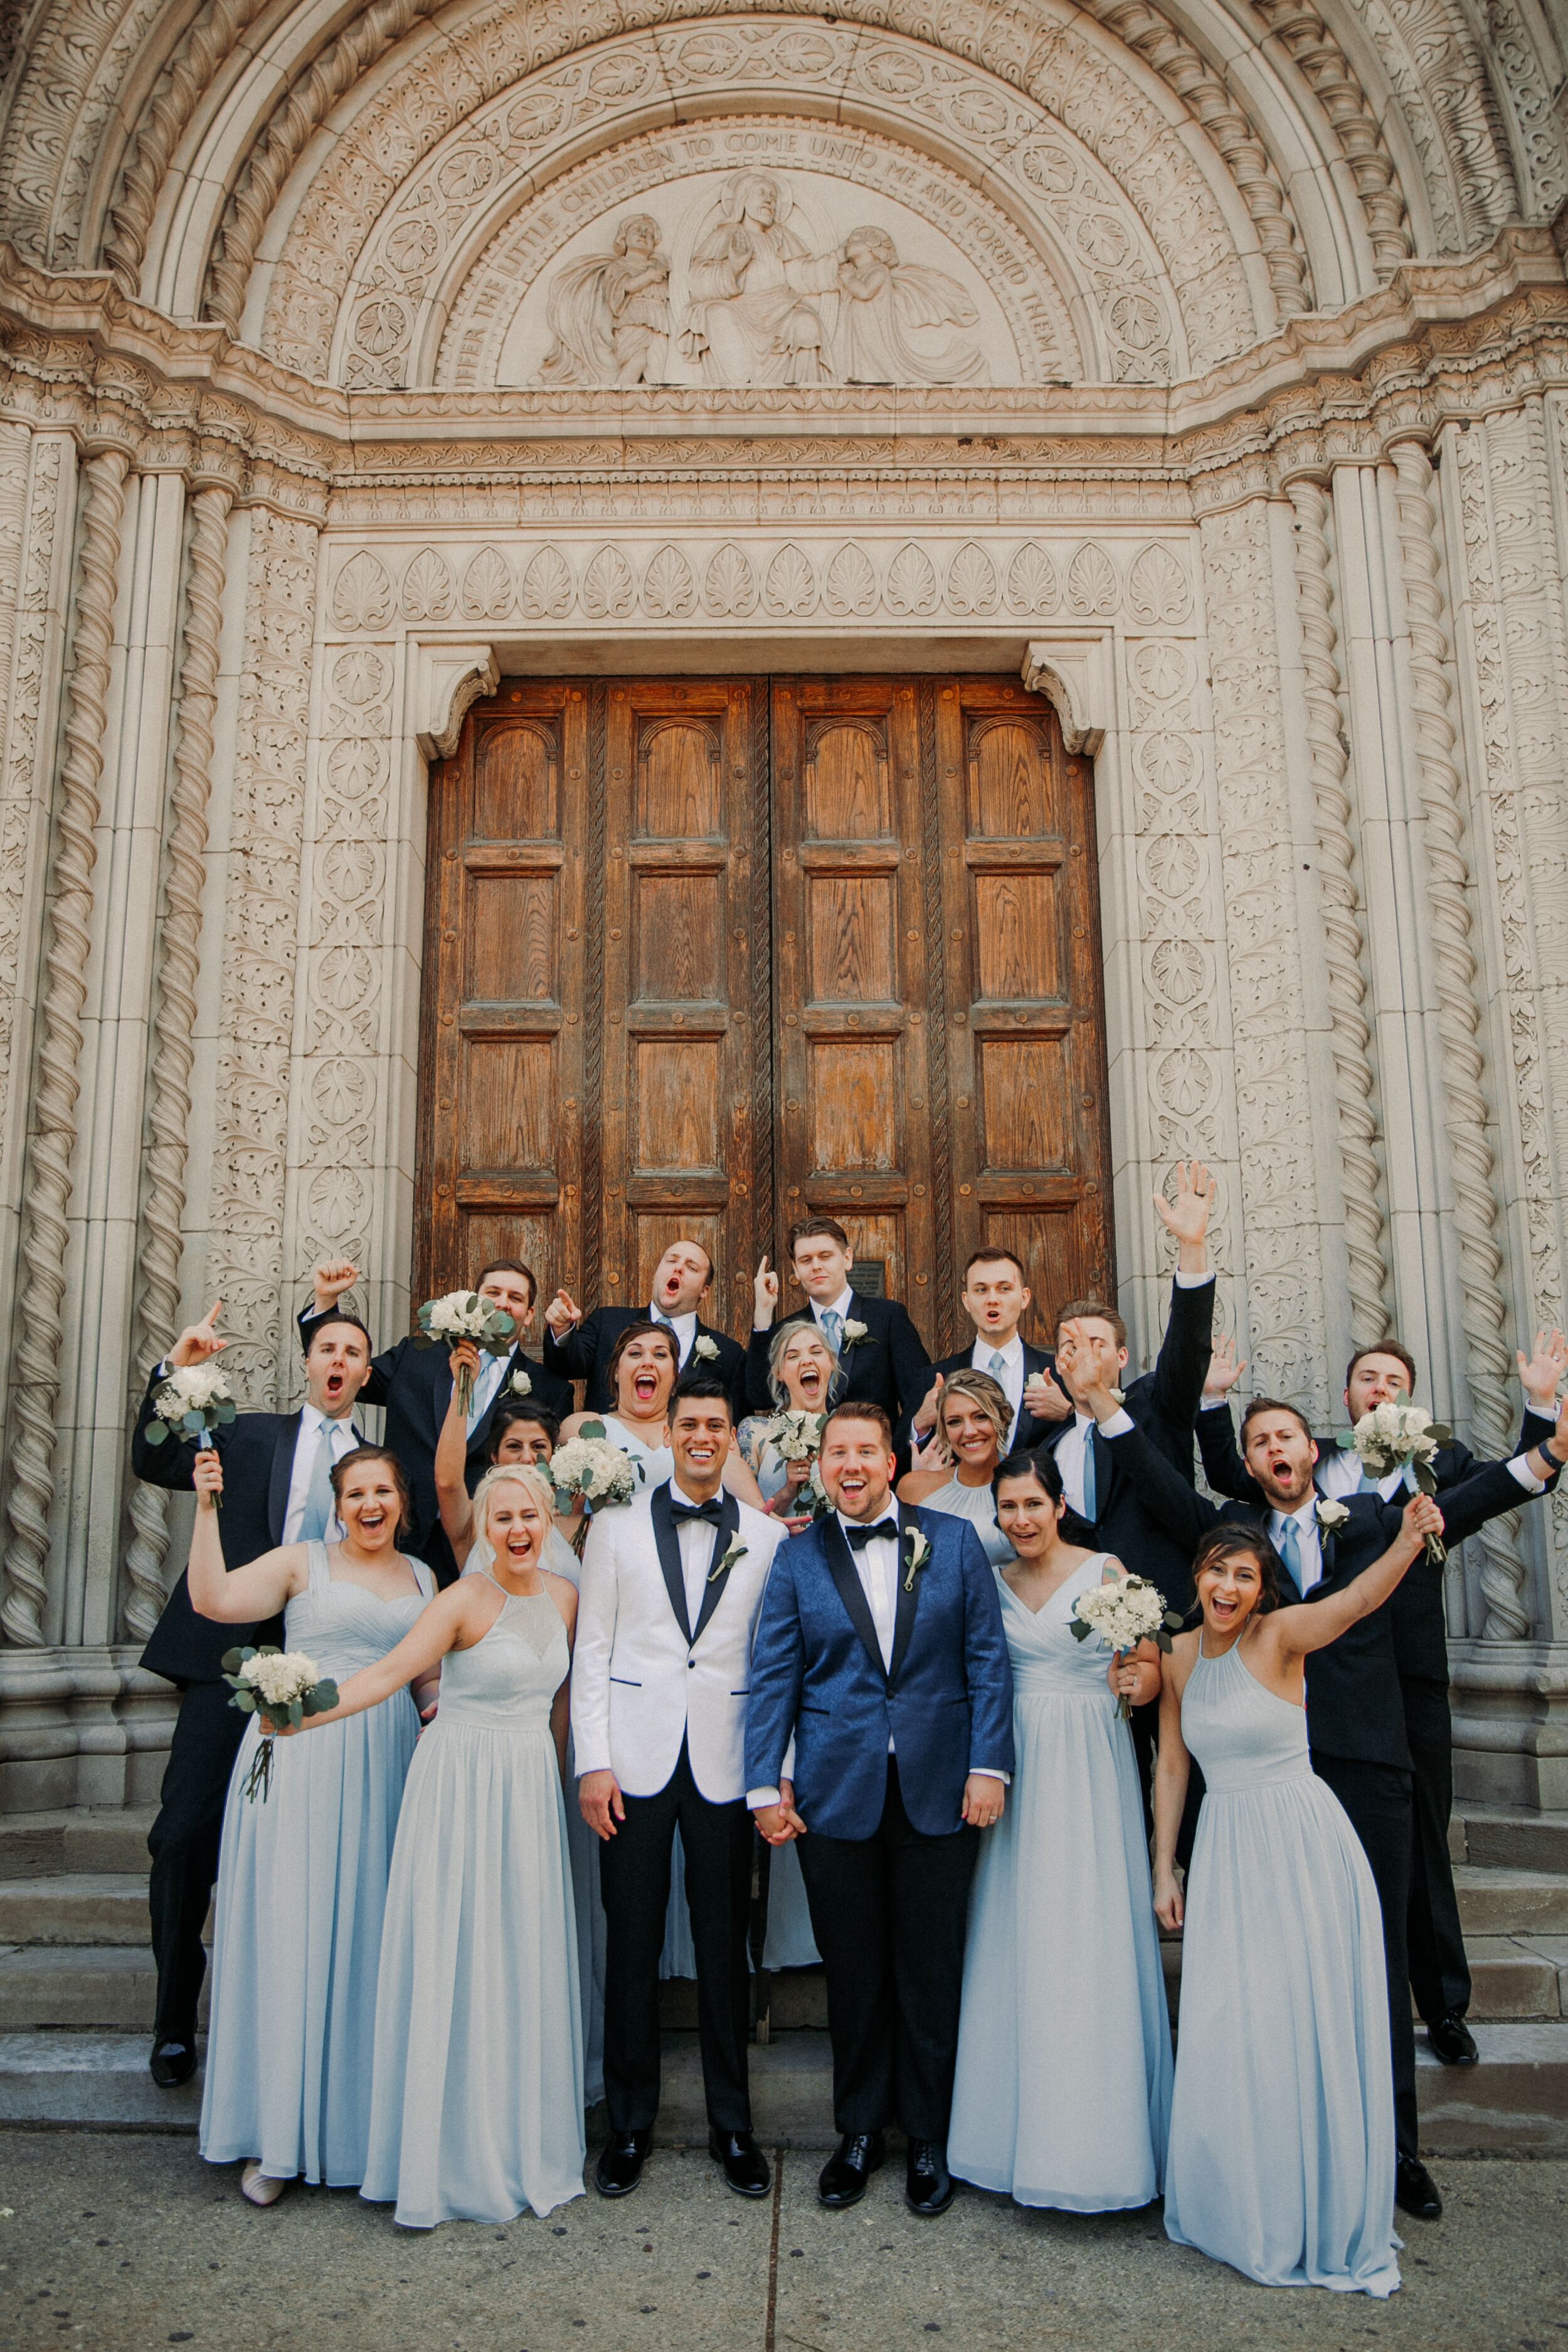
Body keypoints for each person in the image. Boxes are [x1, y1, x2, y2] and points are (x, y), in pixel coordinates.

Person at [1091, 1375, 1568, 2220]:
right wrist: (1105, 1404)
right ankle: (1284, 2141)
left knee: (1373, 1960)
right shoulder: (1230, 1542)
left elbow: (1480, 1494)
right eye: (1262, 1442)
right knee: (1270, 1970)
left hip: (1362, 1764)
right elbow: (1160, 1486)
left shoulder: (1378, 1523)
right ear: (1247, 1462)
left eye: (1289, 1438)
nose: (1277, 1450)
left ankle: (1394, 2153)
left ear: (1317, 1451)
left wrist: (1552, 1449)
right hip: (1258, 1784)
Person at [1199, 1328, 1565, 2069]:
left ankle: (1442, 2004)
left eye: (1394, 1380)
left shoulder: (1442, 1465)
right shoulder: (1315, 1468)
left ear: (1409, 1396)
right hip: (1322, 1684)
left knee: (1418, 1842)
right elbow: (1229, 1476)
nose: (1380, 1389)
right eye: (1368, 1378)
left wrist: (1541, 1411)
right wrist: (1213, 1401)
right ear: (1344, 1399)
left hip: (1413, 1676)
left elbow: (1505, 1485)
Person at [1152, 1512, 1448, 2296]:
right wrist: (1163, 1870)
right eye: (1218, 1570)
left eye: (1244, 1576)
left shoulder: (1279, 1637)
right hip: (1225, 1853)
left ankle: (1315, 2206)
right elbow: (1173, 1769)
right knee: (1234, 2023)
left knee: (1298, 2020)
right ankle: (1241, 2204)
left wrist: (1408, 1541)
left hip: (1301, 1846)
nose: (1228, 1586)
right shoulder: (1177, 1655)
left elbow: (1353, 1602)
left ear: (1260, 1590)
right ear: (1197, 1575)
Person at [288, 1463, 585, 2227]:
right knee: (458, 1956)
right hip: (457, 1788)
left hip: (524, 1794)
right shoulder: (460, 1601)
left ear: (549, 1520)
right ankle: (441, 2153)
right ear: (481, 1529)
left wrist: (553, 1789)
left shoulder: (564, 1598)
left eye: (530, 1516)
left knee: (515, 1958)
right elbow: (388, 1675)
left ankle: (515, 2141)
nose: (517, 1531)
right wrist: (297, 1713)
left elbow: (557, 1706)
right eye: (501, 1519)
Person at [745, 1403, 1014, 2218]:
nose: (852, 1464)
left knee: (931, 1970)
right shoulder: (796, 1558)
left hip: (941, 1786)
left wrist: (988, 1763)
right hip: (836, 1792)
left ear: (891, 1460)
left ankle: (930, 2138)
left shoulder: (955, 1540)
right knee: (854, 1973)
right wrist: (766, 1783)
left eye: (866, 1449)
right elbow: (774, 1675)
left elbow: (986, 1659)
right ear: (822, 1464)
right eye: (838, 1452)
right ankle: (859, 2132)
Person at [131, 1299, 372, 2092]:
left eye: (354, 1352)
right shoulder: (244, 1433)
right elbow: (154, 1458)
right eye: (327, 1346)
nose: (338, 1360)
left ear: (367, 1376)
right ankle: (174, 2024)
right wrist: (177, 1367)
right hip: (225, 1662)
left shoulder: (377, 1469)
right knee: (181, 1838)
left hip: (328, 1676)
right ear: (309, 1362)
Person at [188, 1444, 435, 2204]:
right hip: (297, 1758)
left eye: (383, 1492)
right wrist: (205, 1509)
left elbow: (425, 1677)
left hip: (385, 1766)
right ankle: (277, 2140)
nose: (370, 1505)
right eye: (356, 1492)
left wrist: (442, 1721)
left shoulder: (424, 1577)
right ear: (337, 1504)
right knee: (292, 1935)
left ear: (401, 1501)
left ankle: (355, 2135)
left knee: (366, 1937)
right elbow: (214, 1601)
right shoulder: (301, 1563)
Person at [573, 1375, 785, 2200]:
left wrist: (771, 1774)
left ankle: (732, 2126)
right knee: (630, 1941)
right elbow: (593, 1650)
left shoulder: (766, 1538)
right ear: (666, 1433)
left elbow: (773, 1667)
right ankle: (629, 2126)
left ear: (732, 1437)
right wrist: (593, 1760)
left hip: (727, 1764)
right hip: (631, 1761)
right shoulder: (614, 1528)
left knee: (723, 1945)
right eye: (689, 1423)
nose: (702, 1435)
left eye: (715, 1425)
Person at [948, 1449, 1171, 2211]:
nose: (1019, 1522)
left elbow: (1147, 1668)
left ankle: (1096, 2140)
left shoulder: (1107, 1572)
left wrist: (1138, 1679)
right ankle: (1004, 2134)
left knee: (1086, 1928)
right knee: (1018, 1928)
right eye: (1007, 1509)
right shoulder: (989, 1580)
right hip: (1015, 1760)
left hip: (1088, 1758)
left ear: (1059, 1503)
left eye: (1032, 1506)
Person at [432, 1363, 606, 2105]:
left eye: (541, 1449)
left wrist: (562, 1756)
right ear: (493, 1459)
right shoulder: (477, 1521)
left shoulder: (569, 1527)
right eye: (515, 1449)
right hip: (478, 1744)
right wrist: (462, 1393)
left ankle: (552, 2068)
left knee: (548, 1908)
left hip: (542, 1751)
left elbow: (567, 1668)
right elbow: (443, 1481)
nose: (529, 1461)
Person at [300, 1256, 571, 1585]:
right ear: (475, 1302)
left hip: (483, 1545)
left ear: (529, 1315)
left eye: (515, 1298)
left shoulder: (549, 1389)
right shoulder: (416, 1355)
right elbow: (346, 1373)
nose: (502, 1303)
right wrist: (326, 1303)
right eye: (493, 1293)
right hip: (397, 1532)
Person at [1030, 1162, 1217, 1614]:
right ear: (1059, 1364)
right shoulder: (1045, 1447)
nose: (1087, 1357)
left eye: (1098, 1345)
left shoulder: (1158, 1404)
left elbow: (1188, 1349)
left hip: (1162, 1626)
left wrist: (1192, 1248)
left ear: (1122, 1358)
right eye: (1073, 1347)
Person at [745, 1219, 931, 1428]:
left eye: (825, 1257)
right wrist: (763, 1312)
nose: (816, 1266)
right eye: (806, 1260)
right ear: (796, 1270)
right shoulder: (788, 1330)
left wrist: (894, 1453)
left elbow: (917, 1397)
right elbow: (759, 1397)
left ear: (847, 1258)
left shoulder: (888, 1317)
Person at [559, 1322, 765, 1510]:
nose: (648, 1362)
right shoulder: (584, 1426)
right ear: (616, 1372)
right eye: (635, 1353)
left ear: (675, 1375)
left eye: (660, 1355)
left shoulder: (700, 1433)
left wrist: (769, 1516)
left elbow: (749, 1500)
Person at [543, 1237, 748, 1420]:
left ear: (705, 1291)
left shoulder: (729, 1354)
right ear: (657, 1273)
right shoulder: (607, 1322)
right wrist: (562, 1329)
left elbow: (734, 1425)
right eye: (671, 1261)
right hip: (610, 1458)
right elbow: (566, 1367)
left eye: (692, 1267)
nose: (678, 1268)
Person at [900, 1248, 1070, 1458]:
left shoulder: (1059, 1373)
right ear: (966, 1301)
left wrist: (1068, 1413)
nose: (992, 1299)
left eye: (1004, 1289)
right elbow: (896, 1463)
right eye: (981, 1290)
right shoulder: (935, 1378)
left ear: (1024, 1298)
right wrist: (920, 1425)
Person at [897, 1370, 1016, 1566]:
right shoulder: (915, 1487)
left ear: (1002, 1419)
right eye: (955, 1422)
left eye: (980, 1417)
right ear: (944, 1429)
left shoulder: (1026, 1485)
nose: (969, 1432)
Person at [738, 1320, 839, 1522]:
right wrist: (789, 1490)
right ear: (779, 1372)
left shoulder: (849, 1431)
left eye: (816, 1352)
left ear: (831, 1363)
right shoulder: (756, 1432)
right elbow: (745, 1520)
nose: (807, 1361)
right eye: (793, 1356)